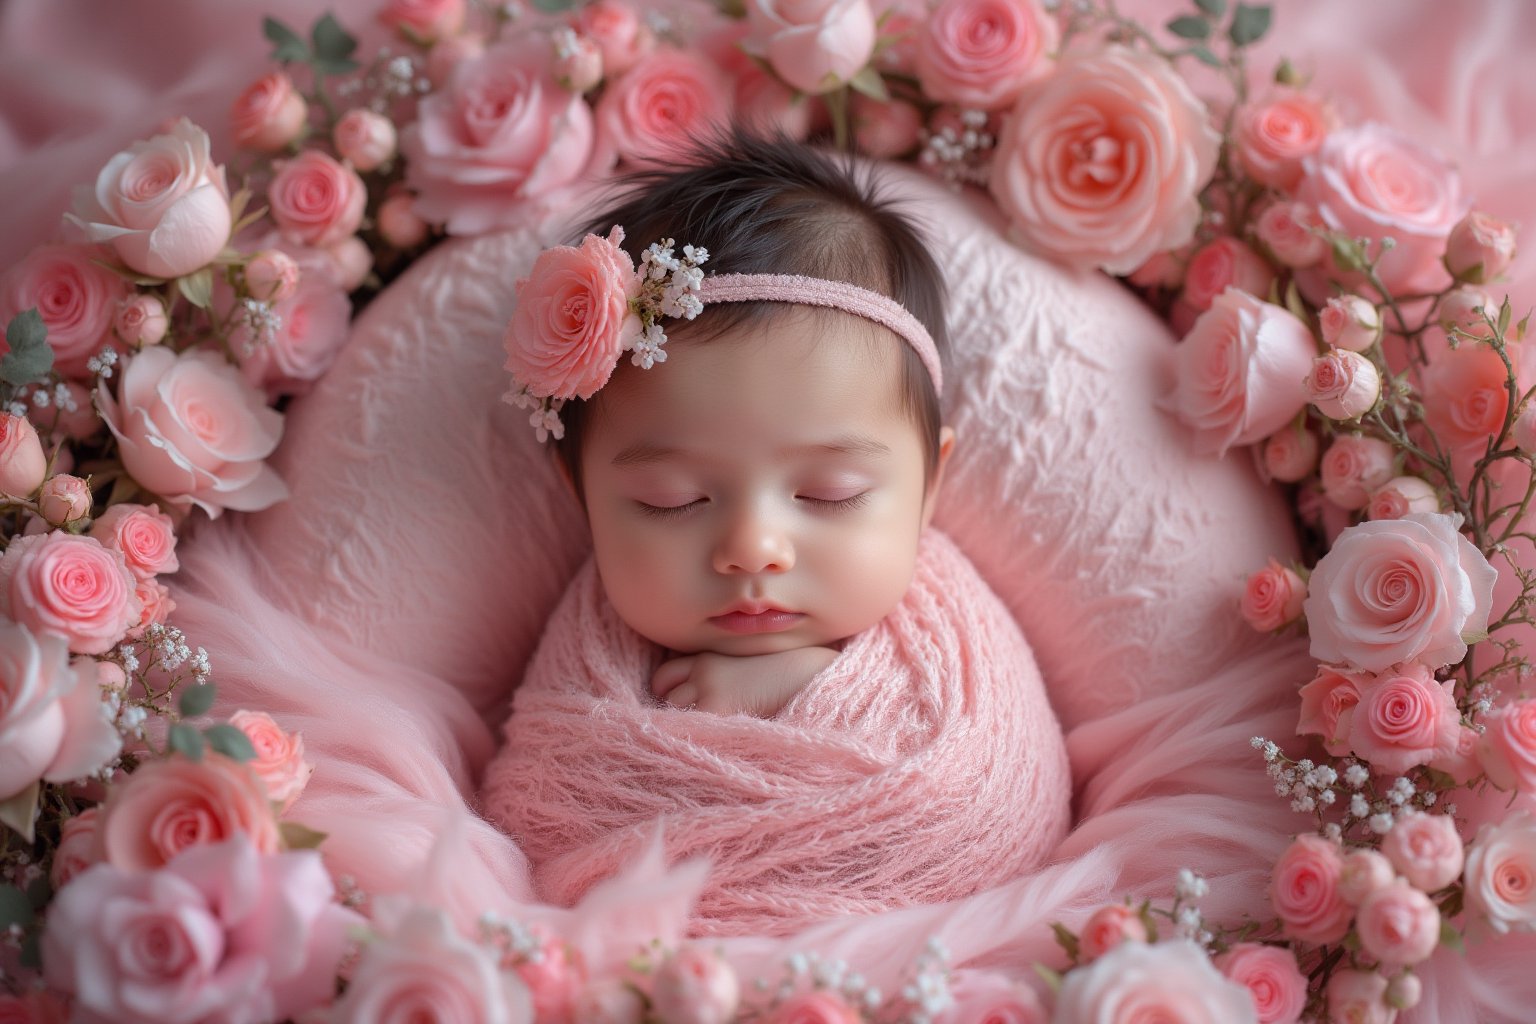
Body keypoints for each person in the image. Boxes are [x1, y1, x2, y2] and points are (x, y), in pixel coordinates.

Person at [485, 131, 1070, 933]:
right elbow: (541, 819)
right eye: (673, 499)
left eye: (830, 493)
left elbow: (998, 804)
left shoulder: (957, 672)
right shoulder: (582, 677)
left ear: (928, 486)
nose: (754, 548)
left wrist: (794, 689)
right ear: (580, 495)